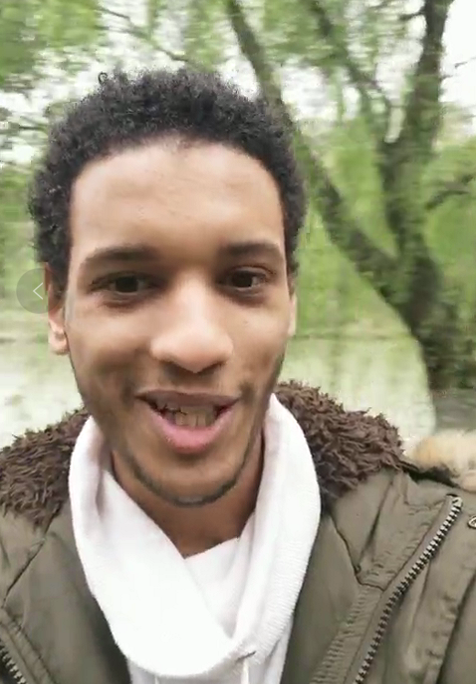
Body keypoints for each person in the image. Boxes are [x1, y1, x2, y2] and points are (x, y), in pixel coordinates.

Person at [1, 67, 475, 684]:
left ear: (290, 300)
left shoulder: (453, 570)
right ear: (57, 306)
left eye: (244, 279)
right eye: (128, 282)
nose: (196, 344)